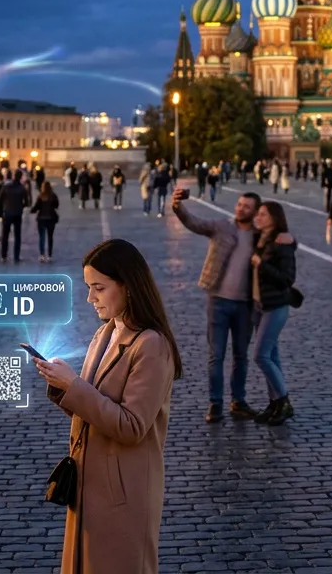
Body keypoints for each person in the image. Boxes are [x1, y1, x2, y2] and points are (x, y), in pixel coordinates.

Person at [34, 239, 182, 574]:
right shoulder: (104, 334)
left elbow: (132, 426)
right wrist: (62, 387)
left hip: (124, 493)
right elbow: (90, 406)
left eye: (98, 288)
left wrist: (73, 386)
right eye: (88, 287)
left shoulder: (152, 346)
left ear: (128, 286)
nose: (90, 298)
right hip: (87, 484)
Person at [173, 187, 261, 421]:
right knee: (216, 355)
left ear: (255, 212)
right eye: (240, 204)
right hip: (218, 301)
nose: (241, 208)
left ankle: (238, 402)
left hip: (245, 305)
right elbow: (193, 222)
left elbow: (282, 244)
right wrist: (178, 206)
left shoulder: (259, 236)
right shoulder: (222, 226)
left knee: (241, 356)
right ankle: (215, 403)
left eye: (247, 207)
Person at [251, 200, 297, 426]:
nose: (257, 218)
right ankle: (274, 403)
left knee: (260, 355)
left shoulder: (281, 242)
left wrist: (261, 265)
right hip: (260, 306)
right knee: (272, 356)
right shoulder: (259, 238)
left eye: (262, 214)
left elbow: (287, 278)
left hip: (276, 306)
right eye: (257, 214)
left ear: (274, 219)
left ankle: (284, 401)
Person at [1, 169, 29, 263]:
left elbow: (0, 198)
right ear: (21, 177)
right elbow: (27, 202)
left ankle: (3, 256)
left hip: (7, 212)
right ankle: (16, 256)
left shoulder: (7, 186)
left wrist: (5, 204)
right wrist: (21, 206)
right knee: (17, 236)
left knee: (5, 235)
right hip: (17, 213)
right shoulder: (22, 188)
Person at [31, 181, 60, 263]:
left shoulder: (40, 196)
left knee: (42, 238)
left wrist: (32, 210)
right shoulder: (53, 196)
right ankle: (50, 255)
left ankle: (42, 255)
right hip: (51, 218)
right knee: (50, 237)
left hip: (41, 219)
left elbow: (36, 207)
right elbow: (57, 205)